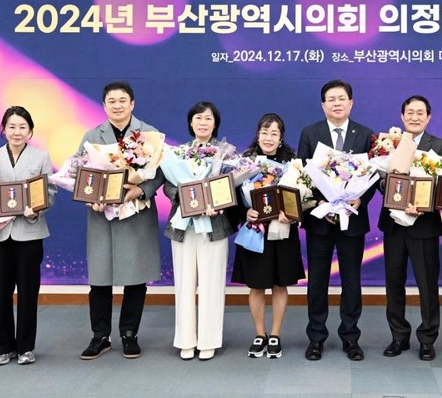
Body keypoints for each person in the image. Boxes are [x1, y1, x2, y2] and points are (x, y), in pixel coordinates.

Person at [78, 81, 165, 360]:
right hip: (102, 215)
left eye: (122, 100)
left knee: (135, 277)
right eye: (111, 101)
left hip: (136, 213)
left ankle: (129, 334)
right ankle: (100, 336)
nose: (117, 106)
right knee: (99, 279)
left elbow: (161, 173)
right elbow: (80, 173)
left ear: (132, 104)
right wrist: (90, 197)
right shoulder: (92, 135)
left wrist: (142, 189)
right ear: (104, 106)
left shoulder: (149, 134)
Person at [0, 106, 56, 366]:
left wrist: (36, 210)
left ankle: (26, 347)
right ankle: (3, 347)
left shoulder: (41, 157)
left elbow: (49, 193)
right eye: (12, 127)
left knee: (28, 293)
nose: (17, 132)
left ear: (30, 131)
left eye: (22, 127)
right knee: (1, 294)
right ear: (3, 129)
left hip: (29, 233)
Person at [297, 79, 375, 361]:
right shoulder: (310, 133)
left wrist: (360, 200)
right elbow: (301, 175)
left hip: (352, 219)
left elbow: (373, 175)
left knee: (351, 280)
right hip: (320, 220)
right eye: (331, 99)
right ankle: (316, 337)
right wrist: (318, 203)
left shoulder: (365, 135)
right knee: (317, 280)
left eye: (341, 98)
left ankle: (351, 337)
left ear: (351, 103)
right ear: (323, 105)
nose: (337, 103)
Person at [163, 102, 235, 361]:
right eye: (198, 118)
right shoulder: (177, 153)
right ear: (190, 123)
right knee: (184, 284)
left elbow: (232, 187)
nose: (203, 123)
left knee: (212, 284)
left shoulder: (226, 154)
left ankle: (208, 340)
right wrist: (183, 196)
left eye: (208, 118)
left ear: (215, 124)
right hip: (183, 225)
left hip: (213, 225)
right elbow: (167, 186)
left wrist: (217, 202)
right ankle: (185, 340)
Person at [378, 95, 442, 361]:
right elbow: (378, 180)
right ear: (402, 116)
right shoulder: (389, 143)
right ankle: (398, 336)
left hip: (424, 225)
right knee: (394, 282)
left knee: (427, 284)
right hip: (394, 225)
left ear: (428, 117)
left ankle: (427, 338)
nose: (414, 117)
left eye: (420, 113)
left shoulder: (439, 145)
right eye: (410, 112)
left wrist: (423, 204)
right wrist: (388, 185)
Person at [231, 113, 305, 359]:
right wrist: (246, 212)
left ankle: (275, 334)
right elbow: (232, 198)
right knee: (256, 286)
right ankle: (259, 334)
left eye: (274, 133)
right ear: (258, 135)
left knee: (279, 285)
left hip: (282, 233)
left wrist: (290, 214)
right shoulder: (245, 163)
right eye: (265, 132)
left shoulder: (293, 165)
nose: (269, 138)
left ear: (281, 138)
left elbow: (302, 199)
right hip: (255, 232)